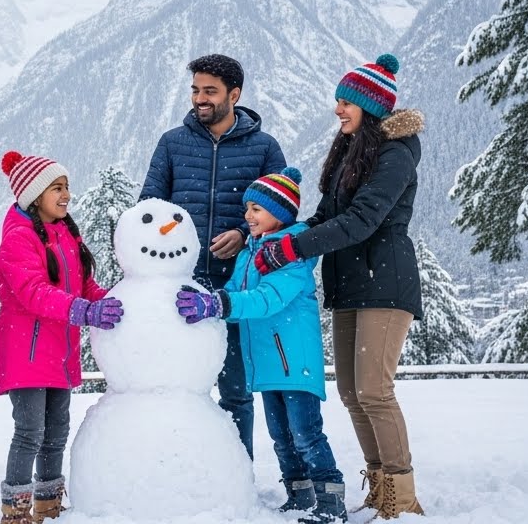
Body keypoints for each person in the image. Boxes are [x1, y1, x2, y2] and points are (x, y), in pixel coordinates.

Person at [255, 54, 426, 519]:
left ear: (369, 107)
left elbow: (363, 219)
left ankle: (402, 496)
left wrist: (291, 251)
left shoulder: (395, 153)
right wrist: (278, 237)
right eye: (337, 101)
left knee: (374, 389)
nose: (337, 109)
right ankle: (379, 486)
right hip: (350, 283)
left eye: (346, 101)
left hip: (384, 281)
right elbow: (328, 218)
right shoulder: (354, 152)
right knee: (352, 392)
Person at [176, 167, 347, 523]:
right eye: (247, 208)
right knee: (281, 436)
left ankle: (331, 501)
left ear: (280, 213)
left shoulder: (291, 255)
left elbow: (267, 299)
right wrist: (208, 300)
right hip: (268, 365)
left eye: (255, 208)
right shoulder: (249, 252)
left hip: (294, 362)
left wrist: (221, 305)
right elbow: (237, 294)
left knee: (305, 434)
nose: (247, 216)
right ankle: (299, 495)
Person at [140, 53, 287, 456]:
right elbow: (148, 209)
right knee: (174, 386)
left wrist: (242, 233)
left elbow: (281, 214)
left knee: (236, 390)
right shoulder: (172, 144)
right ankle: (174, 470)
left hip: (236, 288)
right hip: (179, 286)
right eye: (195, 90)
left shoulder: (264, 148)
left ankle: (237, 474)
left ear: (233, 94)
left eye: (210, 91)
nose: (199, 99)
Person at [0, 151, 123, 523]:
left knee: (56, 431)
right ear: (34, 196)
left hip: (59, 350)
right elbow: (32, 291)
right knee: (30, 431)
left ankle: (49, 508)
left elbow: (84, 285)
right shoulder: (19, 238)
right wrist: (84, 311)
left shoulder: (65, 234)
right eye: (56, 188)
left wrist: (116, 301)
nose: (66, 195)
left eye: (66, 187)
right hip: (27, 349)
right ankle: (16, 512)